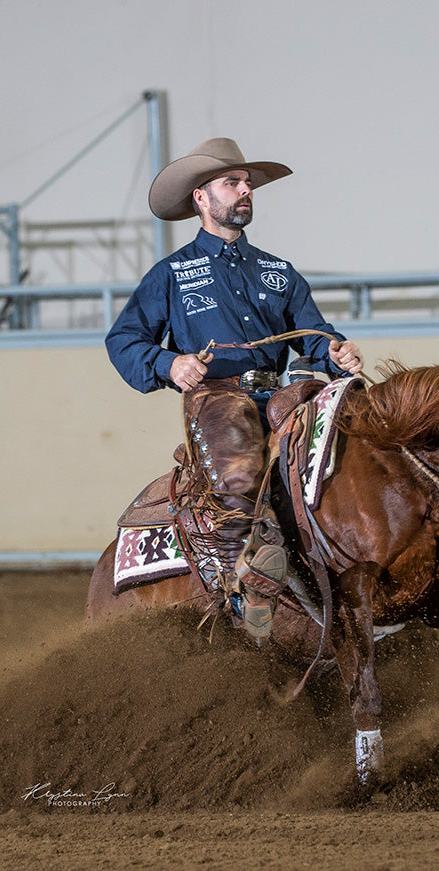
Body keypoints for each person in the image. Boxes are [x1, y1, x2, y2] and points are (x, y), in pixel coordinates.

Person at [106, 137, 364, 640]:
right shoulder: (172, 275)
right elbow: (124, 339)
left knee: (352, 438)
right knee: (240, 469)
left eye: (247, 183)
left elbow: (312, 337)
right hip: (219, 397)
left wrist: (334, 354)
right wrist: (169, 363)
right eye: (233, 183)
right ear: (201, 199)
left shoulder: (278, 272)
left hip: (283, 392)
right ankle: (240, 588)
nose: (246, 190)